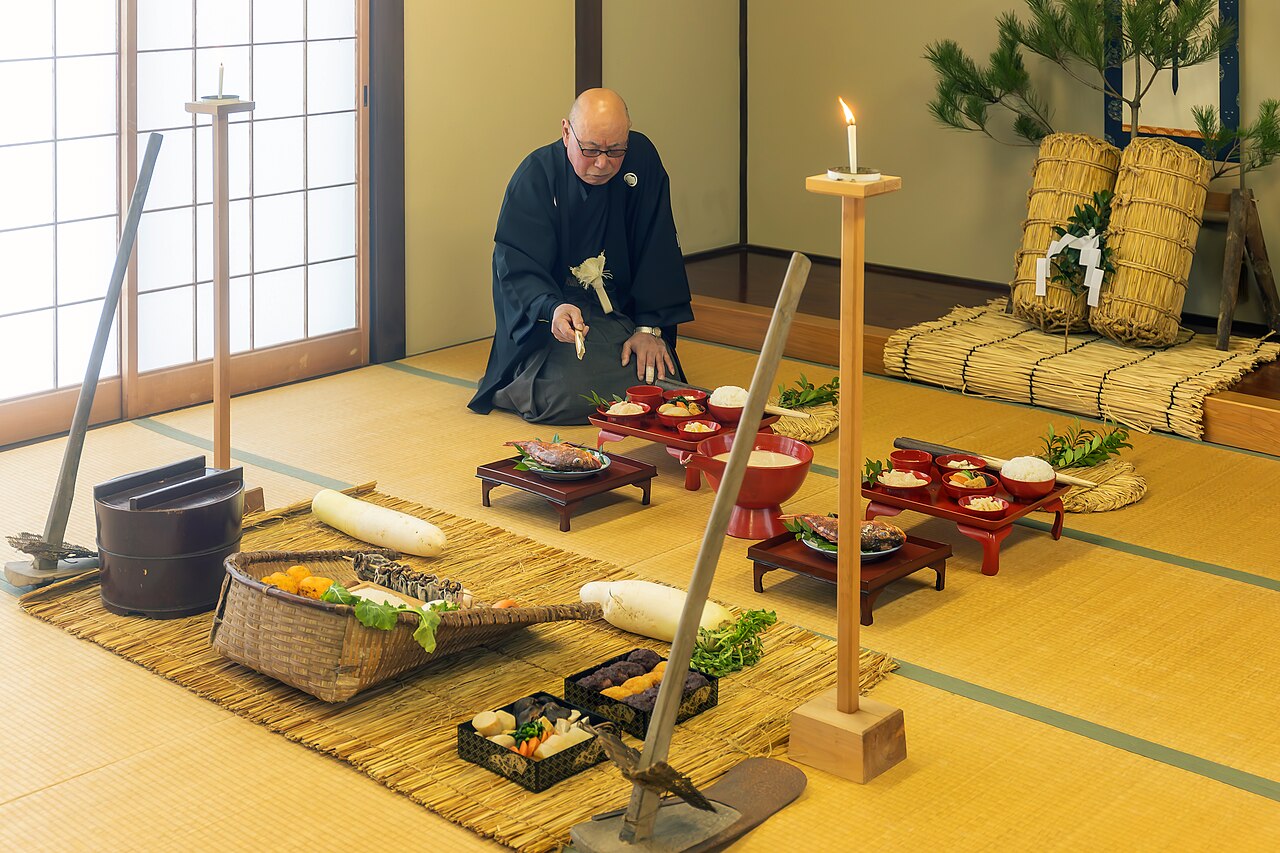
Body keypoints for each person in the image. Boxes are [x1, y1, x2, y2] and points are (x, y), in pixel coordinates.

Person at [468, 88, 693, 424]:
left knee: (661, 379)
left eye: (615, 151)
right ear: (566, 132)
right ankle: (513, 385)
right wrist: (552, 308)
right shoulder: (536, 176)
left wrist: (649, 328)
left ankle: (627, 351)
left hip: (620, 310)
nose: (602, 163)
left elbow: (657, 244)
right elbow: (516, 265)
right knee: (566, 393)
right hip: (559, 318)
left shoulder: (642, 158)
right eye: (590, 150)